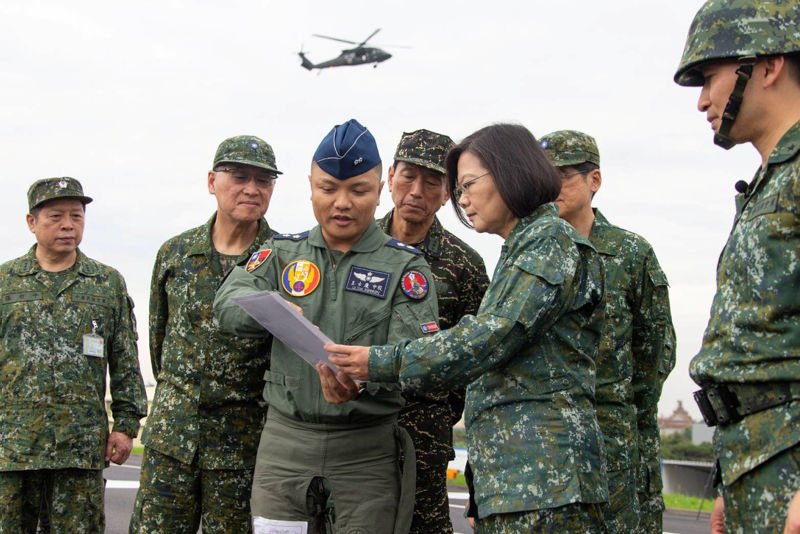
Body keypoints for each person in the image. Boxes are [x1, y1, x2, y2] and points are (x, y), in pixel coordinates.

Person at [319, 123, 609, 532]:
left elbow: (486, 339)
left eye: (468, 184)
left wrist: (376, 363)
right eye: (460, 189)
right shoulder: (525, 247)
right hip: (517, 479)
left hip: (545, 480)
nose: (464, 199)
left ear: (511, 173)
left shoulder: (549, 242)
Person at [213, 119, 440, 534]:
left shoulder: (405, 266)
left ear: (379, 188)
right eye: (328, 189)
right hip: (285, 444)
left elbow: (418, 357)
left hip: (366, 453)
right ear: (311, 186)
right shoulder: (281, 253)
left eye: (358, 190)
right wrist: (271, 311)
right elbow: (226, 305)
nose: (342, 203)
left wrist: (367, 377)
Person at [674, 1, 800, 532]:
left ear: (767, 65)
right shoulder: (772, 180)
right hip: (760, 459)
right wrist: (735, 475)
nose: (703, 100)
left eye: (710, 77)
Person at [129, 136, 280, 533]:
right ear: (212, 181)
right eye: (239, 176)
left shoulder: (284, 261)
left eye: (263, 180)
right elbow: (159, 340)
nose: (251, 188)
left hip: (243, 445)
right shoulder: (175, 254)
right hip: (172, 439)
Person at [540, 129, 676, 533]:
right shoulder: (532, 252)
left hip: (612, 441)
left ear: (593, 180)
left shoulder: (631, 254)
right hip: (547, 441)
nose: (552, 188)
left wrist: (616, 410)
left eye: (563, 176)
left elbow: (655, 351)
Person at [0, 177, 147, 533]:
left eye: (76, 216)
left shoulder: (106, 283)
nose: (68, 225)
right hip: (12, 448)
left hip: (79, 449)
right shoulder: (6, 283)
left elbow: (125, 360)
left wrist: (126, 426)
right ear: (32, 222)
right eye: (56, 216)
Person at [378, 129, 490, 534]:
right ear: (390, 177)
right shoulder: (355, 243)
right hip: (354, 428)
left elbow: (480, 361)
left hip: (425, 436)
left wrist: (442, 412)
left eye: (432, 182)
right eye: (408, 176)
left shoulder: (465, 265)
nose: (416, 191)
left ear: (448, 193)